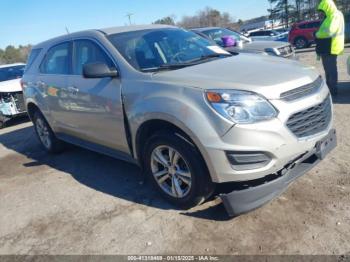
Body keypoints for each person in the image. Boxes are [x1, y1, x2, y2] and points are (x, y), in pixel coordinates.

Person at [315, 0, 345, 96]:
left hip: (331, 47)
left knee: (330, 70)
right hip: (327, 47)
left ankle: (332, 90)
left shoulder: (334, 15)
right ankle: (330, 89)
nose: (321, 13)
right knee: (328, 70)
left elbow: (329, 31)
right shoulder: (330, 16)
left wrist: (317, 34)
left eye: (322, 10)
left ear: (327, 8)